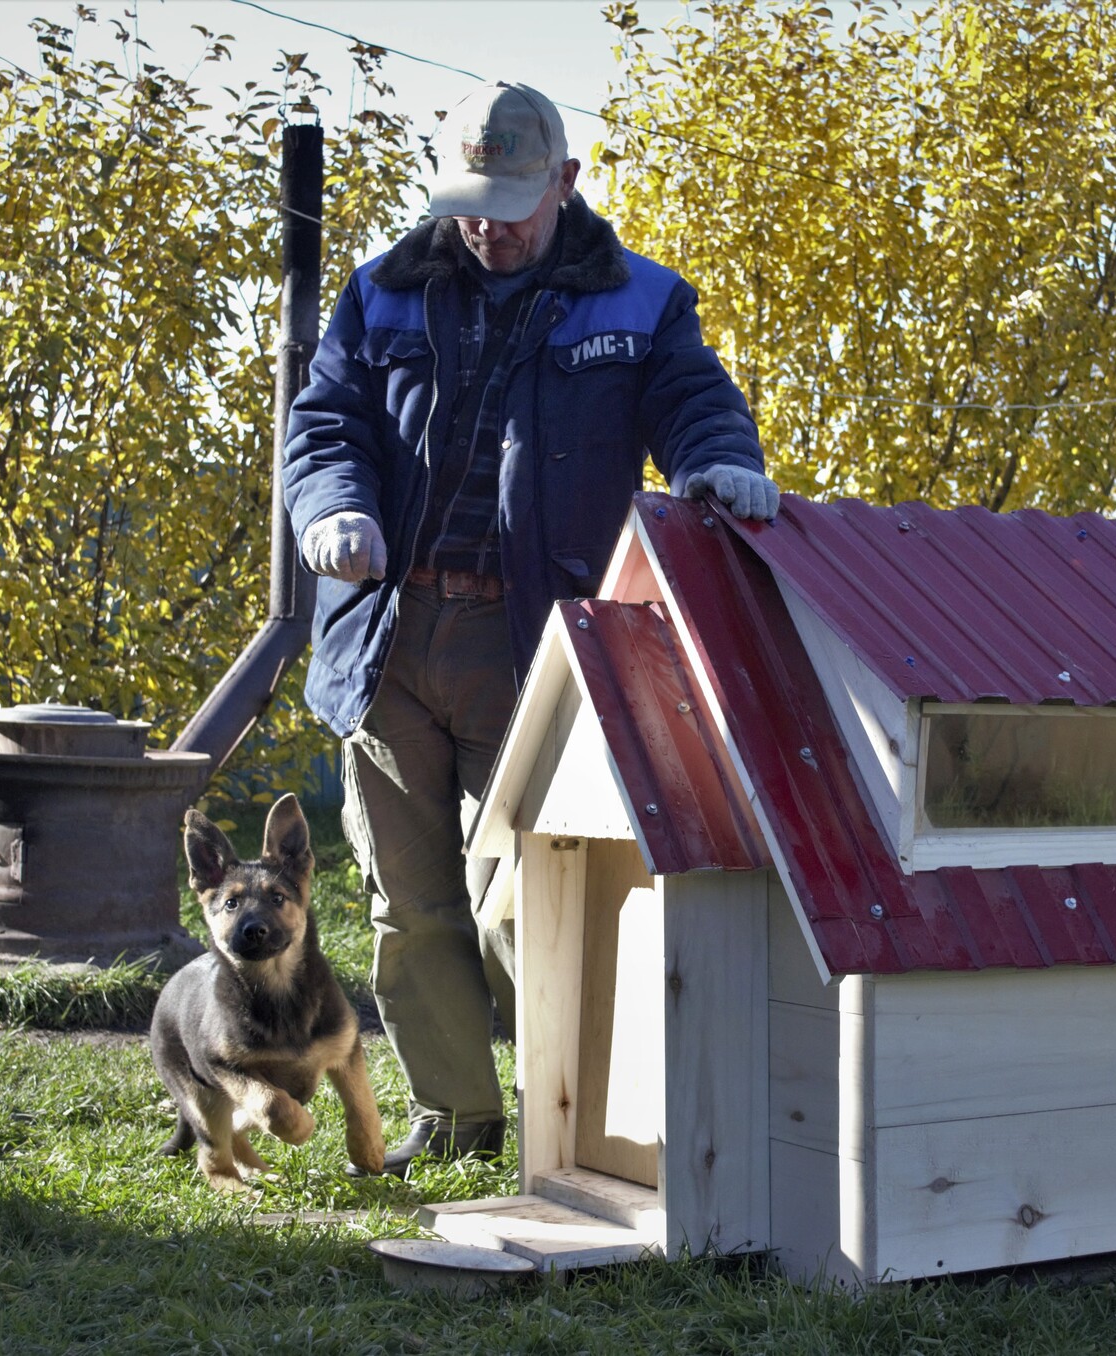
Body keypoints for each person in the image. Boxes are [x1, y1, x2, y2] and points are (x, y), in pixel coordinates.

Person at [281, 80, 777, 1176]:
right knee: (410, 906)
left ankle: (590, 1126)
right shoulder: (383, 293)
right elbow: (323, 425)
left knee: (531, 897)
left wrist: (718, 465)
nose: (488, 224)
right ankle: (457, 1119)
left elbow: (692, 402)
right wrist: (332, 511)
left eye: (513, 199)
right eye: (470, 197)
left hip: (533, 649)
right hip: (387, 638)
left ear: (566, 182)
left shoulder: (640, 302)